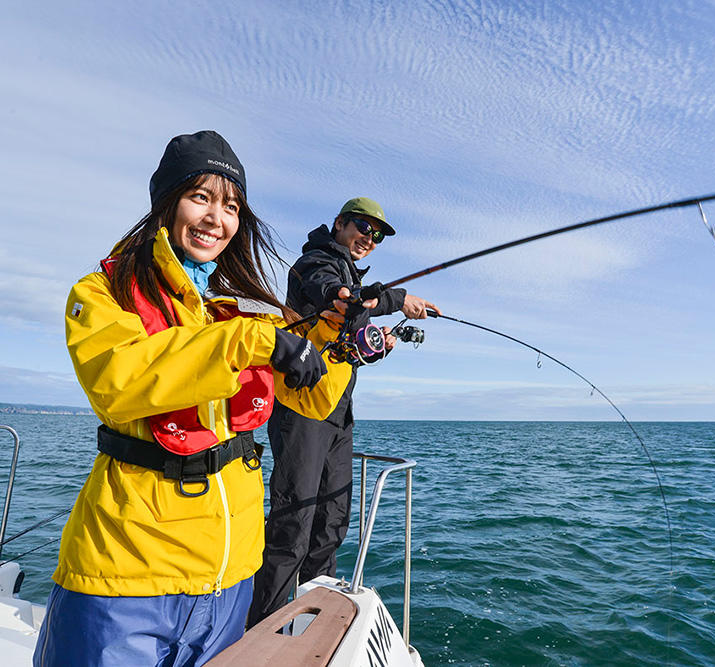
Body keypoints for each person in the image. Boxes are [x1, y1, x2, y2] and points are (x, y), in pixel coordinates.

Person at [33, 130, 362, 667]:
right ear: (167, 202)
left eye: (231, 206)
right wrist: (254, 340)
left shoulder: (244, 310)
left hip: (231, 579)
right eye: (201, 197)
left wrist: (336, 341)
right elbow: (119, 383)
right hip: (127, 572)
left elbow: (311, 403)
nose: (217, 218)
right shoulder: (100, 292)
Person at [248, 197, 440, 626]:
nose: (368, 239)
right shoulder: (316, 261)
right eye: (362, 228)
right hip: (301, 410)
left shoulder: (349, 274)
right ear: (339, 224)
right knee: (292, 524)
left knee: (332, 522)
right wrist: (399, 298)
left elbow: (347, 344)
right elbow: (330, 292)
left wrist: (379, 344)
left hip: (337, 412)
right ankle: (266, 630)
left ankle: (312, 617)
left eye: (376, 236)